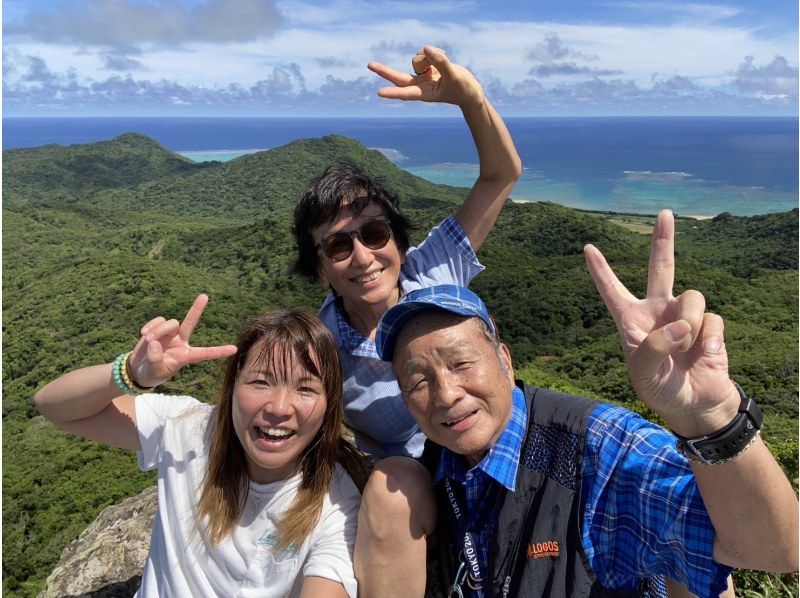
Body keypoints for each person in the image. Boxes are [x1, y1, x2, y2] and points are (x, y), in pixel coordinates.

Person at [374, 210, 799, 596]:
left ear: (504, 359)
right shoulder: (437, 467)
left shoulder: (595, 450)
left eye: (461, 363)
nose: (446, 394)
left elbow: (773, 550)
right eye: (418, 381)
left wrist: (712, 418)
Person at [292, 46, 521, 594]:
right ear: (321, 270)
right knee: (395, 480)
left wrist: (470, 99)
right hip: (412, 495)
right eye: (339, 246)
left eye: (374, 235)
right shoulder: (322, 347)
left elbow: (500, 176)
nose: (364, 257)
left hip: (499, 457)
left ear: (398, 240)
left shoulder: (433, 271)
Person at [34, 295, 368, 597]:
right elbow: (54, 406)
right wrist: (131, 374)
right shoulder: (190, 430)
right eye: (260, 382)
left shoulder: (335, 500)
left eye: (306, 389)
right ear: (232, 388)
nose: (279, 407)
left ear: (329, 406)